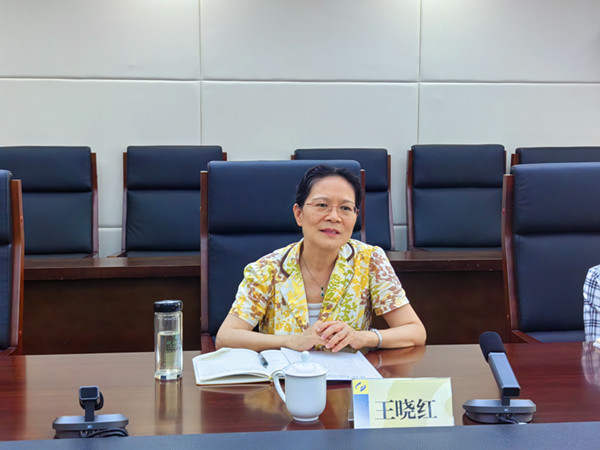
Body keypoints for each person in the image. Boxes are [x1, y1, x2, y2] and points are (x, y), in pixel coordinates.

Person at [216, 164, 426, 352]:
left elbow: (415, 332)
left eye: (345, 208)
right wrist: (290, 341)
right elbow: (226, 337)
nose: (334, 217)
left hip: (349, 381)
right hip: (284, 380)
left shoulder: (370, 260)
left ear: (355, 217)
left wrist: (361, 337)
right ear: (299, 214)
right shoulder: (267, 269)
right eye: (322, 205)